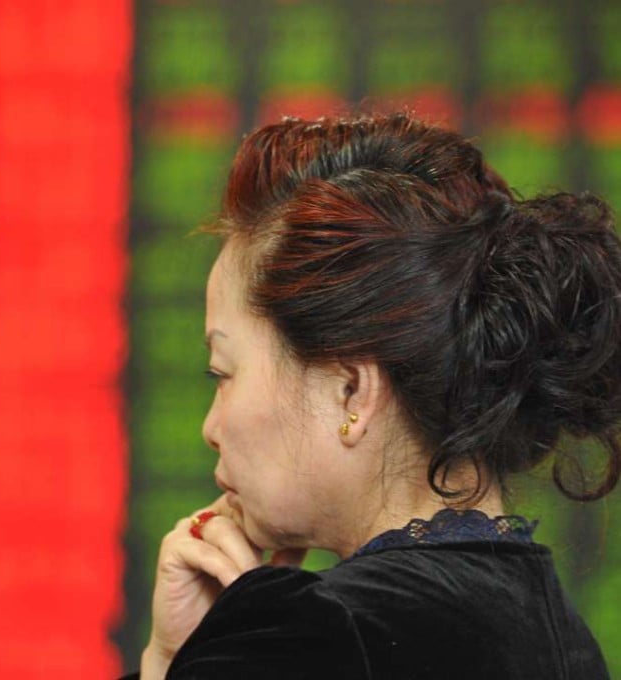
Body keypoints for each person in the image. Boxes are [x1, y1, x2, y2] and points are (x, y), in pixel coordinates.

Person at [127, 113, 620, 679]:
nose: (211, 428)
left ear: (351, 390)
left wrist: (170, 663)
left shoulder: (308, 635)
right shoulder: (564, 637)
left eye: (223, 372)